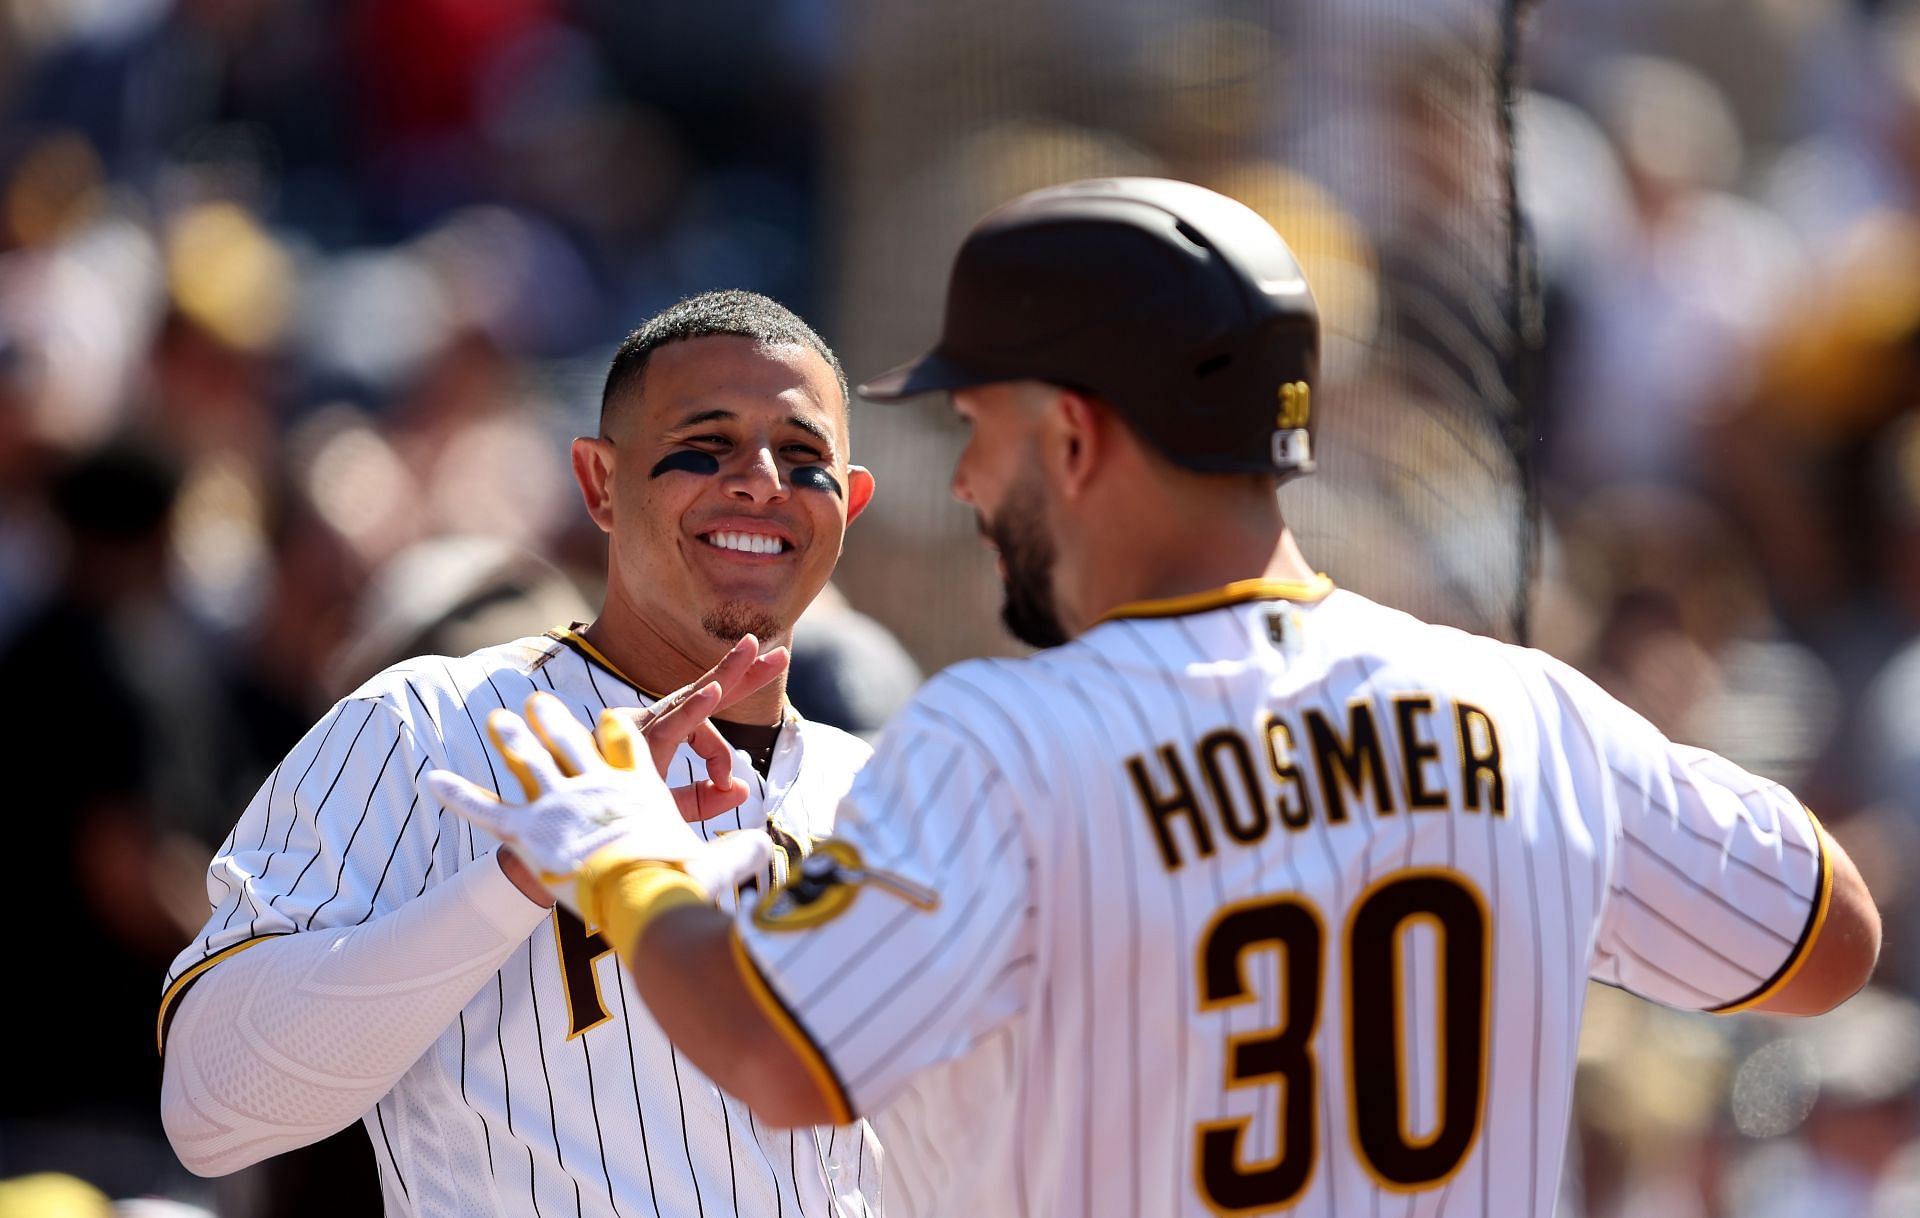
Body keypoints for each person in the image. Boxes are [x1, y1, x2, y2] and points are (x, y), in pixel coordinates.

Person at [430, 179, 1883, 1218]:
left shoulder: (1010, 740)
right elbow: (1829, 940)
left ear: (1073, 435)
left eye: (980, 428)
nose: (965, 480)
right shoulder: (1527, 709)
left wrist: (612, 842)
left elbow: (773, 1049)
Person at [158, 290, 885, 1216]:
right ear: (599, 485)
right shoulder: (430, 725)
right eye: (708, 441)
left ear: (851, 502)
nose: (759, 480)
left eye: (804, 454)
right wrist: (513, 881)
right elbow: (209, 1113)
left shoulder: (876, 798)